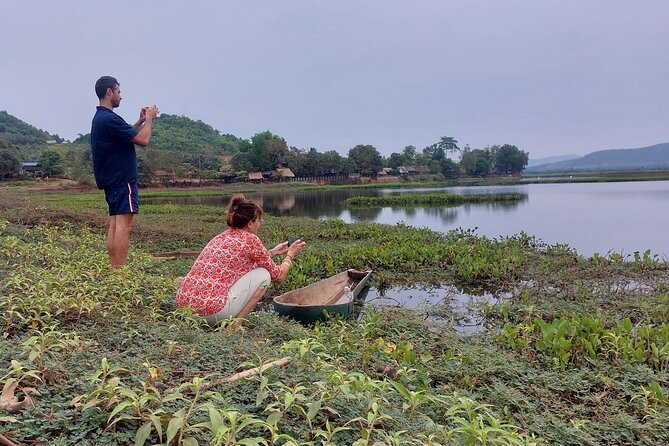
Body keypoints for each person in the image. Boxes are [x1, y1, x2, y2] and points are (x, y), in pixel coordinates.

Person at [176, 194, 306, 324]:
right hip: (212, 313)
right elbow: (279, 276)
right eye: (259, 221)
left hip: (184, 310)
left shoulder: (222, 236)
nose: (260, 224)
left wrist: (273, 252)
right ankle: (234, 327)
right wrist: (290, 255)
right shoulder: (250, 239)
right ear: (250, 223)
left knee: (255, 271)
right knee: (264, 275)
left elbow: (241, 265)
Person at [91, 76, 159, 267]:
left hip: (112, 180)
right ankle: (120, 272)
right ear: (109, 92)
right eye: (119, 92)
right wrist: (150, 120)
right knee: (124, 226)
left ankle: (115, 269)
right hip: (122, 180)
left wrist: (140, 121)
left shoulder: (102, 119)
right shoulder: (109, 118)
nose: (121, 96)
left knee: (115, 225)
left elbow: (129, 134)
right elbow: (143, 140)